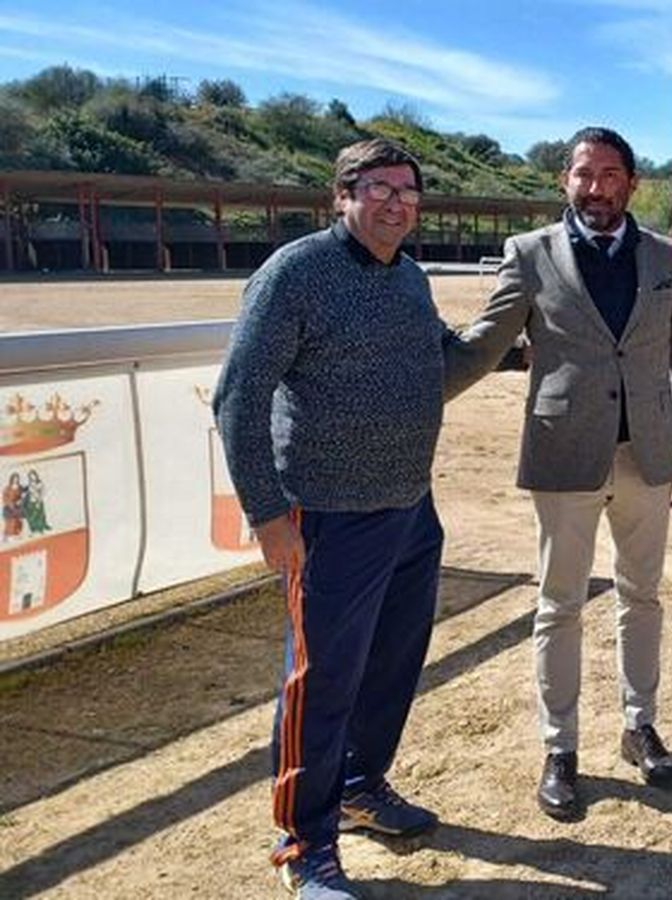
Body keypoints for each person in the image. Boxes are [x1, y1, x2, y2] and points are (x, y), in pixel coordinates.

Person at [444, 126, 672, 822]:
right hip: (565, 454)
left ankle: (639, 725)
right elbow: (483, 345)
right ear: (566, 180)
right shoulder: (529, 256)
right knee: (559, 605)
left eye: (610, 174)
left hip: (648, 456)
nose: (597, 187)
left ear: (632, 182)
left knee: (641, 597)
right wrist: (417, 388)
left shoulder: (667, 258)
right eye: (584, 174)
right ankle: (560, 749)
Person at [214, 138, 450, 899]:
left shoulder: (411, 278)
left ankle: (359, 785)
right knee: (321, 683)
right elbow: (239, 398)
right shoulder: (296, 274)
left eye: (406, 189)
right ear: (341, 197)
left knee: (391, 664)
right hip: (327, 514)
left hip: (410, 508)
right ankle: (303, 841)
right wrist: (267, 514)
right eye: (377, 188)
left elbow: (439, 357)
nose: (394, 201)